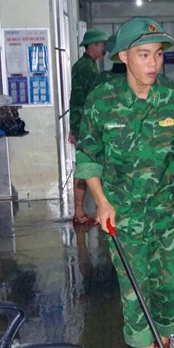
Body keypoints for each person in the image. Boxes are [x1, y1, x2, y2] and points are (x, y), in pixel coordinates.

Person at [76, 17, 174, 348]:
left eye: (157, 54)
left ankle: (165, 344)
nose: (153, 63)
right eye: (143, 54)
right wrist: (101, 201)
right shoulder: (101, 101)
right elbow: (88, 156)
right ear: (123, 57)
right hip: (123, 217)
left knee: (170, 287)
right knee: (135, 292)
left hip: (170, 213)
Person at [69, 28, 108, 226]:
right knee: (84, 168)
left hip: (85, 123)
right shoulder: (86, 68)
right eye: (102, 45)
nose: (105, 49)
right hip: (85, 125)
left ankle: (80, 211)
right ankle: (79, 212)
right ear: (92, 46)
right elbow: (78, 100)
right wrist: (75, 128)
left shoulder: (87, 65)